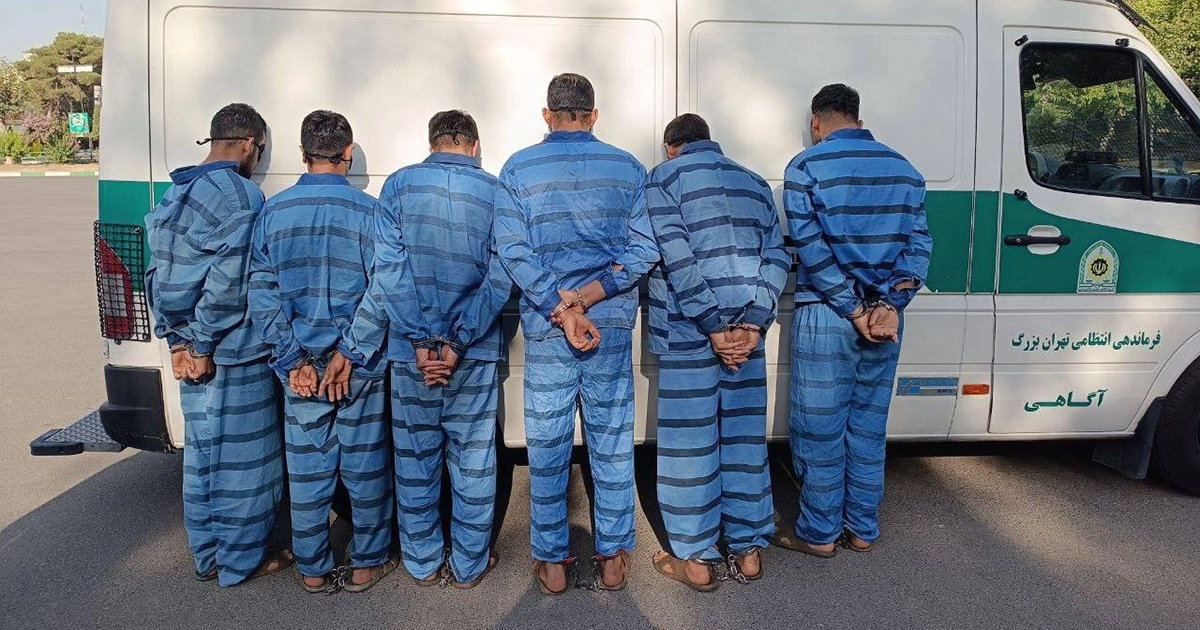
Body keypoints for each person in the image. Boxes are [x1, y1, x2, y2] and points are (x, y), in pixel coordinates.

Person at [493, 73, 659, 594]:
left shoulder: (518, 168)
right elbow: (644, 251)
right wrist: (589, 296)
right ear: (594, 115)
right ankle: (612, 559)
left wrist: (561, 308)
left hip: (549, 328)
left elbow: (513, 251)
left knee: (548, 446)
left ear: (547, 115)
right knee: (611, 443)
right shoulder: (628, 168)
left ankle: (553, 565)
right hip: (608, 324)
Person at [343, 110, 512, 589]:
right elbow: (501, 276)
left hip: (409, 355)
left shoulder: (398, 186)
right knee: (473, 461)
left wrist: (420, 340)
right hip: (473, 354)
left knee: (415, 460)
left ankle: (422, 564)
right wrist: (457, 342)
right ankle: (470, 564)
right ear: (474, 146)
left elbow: (389, 273)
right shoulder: (498, 192)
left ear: (432, 142)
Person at [777, 84, 932, 558]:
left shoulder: (804, 168)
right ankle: (862, 528)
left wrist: (852, 308)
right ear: (860, 121)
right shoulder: (906, 171)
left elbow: (811, 250)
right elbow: (919, 247)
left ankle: (821, 533)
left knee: (819, 429)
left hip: (827, 313)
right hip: (884, 320)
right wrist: (889, 305)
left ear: (816, 123)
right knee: (867, 426)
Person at [247, 110, 398, 593]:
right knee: (365, 467)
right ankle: (366, 563)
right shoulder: (372, 213)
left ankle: (312, 570)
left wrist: (293, 360)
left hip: (301, 373)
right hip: (359, 368)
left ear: (302, 153)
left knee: (308, 472)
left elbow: (261, 293)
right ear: (348, 153)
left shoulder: (273, 212)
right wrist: (349, 353)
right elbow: (383, 290)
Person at [144, 103, 292, 587]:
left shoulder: (175, 192)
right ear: (250, 145)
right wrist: (204, 344)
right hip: (232, 352)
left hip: (190, 352)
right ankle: (240, 562)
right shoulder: (241, 195)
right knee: (246, 464)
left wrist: (177, 342)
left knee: (203, 458)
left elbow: (156, 274)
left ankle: (207, 554)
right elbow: (230, 281)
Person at [644, 114, 788, 590]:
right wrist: (752, 322)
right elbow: (777, 257)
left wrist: (711, 323)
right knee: (744, 442)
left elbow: (677, 257)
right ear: (710, 141)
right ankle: (748, 552)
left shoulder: (663, 179)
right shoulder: (754, 183)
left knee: (690, 445)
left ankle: (698, 560)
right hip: (746, 338)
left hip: (689, 333)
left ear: (671, 147)